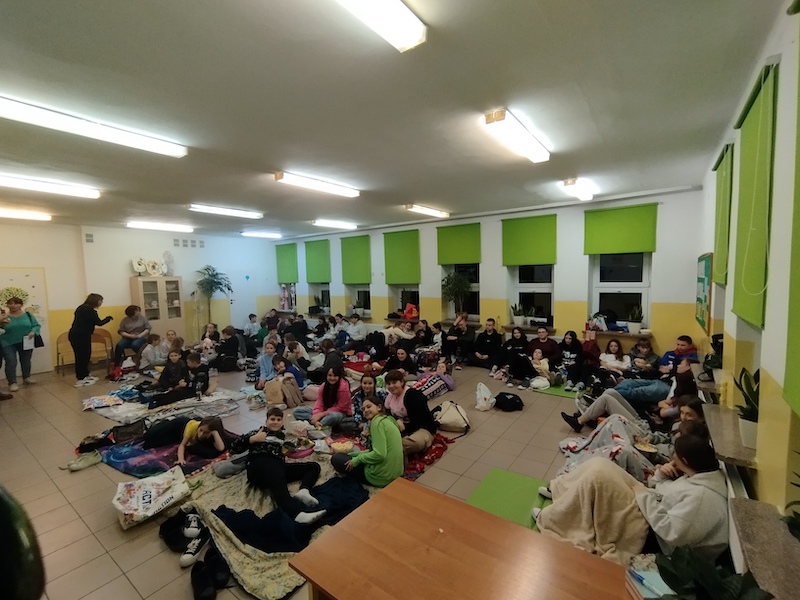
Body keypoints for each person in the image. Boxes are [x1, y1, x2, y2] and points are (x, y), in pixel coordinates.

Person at [533, 435, 728, 563]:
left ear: (685, 461)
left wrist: (643, 496)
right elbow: (662, 490)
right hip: (651, 507)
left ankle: (554, 518)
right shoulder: (696, 476)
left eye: (675, 457)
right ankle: (562, 491)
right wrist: (661, 476)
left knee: (599, 477)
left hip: (651, 535)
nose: (672, 459)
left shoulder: (702, 498)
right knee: (600, 464)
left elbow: (673, 535)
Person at [230, 407, 326, 524]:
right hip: (258, 467)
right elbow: (233, 448)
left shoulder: (281, 436)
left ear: (282, 422)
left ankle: (304, 491)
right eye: (272, 419)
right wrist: (252, 439)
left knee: (313, 467)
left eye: (278, 419)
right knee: (274, 470)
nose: (275, 422)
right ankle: (295, 514)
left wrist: (298, 443)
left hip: (277, 467)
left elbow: (287, 449)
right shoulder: (258, 432)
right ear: (266, 421)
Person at [331, 395, 404, 487]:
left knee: (336, 458)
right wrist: (356, 455)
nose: (365, 410)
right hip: (395, 474)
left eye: (369, 407)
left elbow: (379, 454)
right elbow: (376, 450)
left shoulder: (377, 423)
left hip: (381, 476)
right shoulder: (387, 419)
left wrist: (358, 459)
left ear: (379, 407)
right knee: (348, 455)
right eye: (363, 409)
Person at [384, 369, 437, 455]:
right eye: (388, 384)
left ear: (402, 382)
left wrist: (403, 428)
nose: (391, 386)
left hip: (421, 428)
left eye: (394, 382)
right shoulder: (389, 397)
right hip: (401, 429)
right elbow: (387, 414)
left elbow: (419, 422)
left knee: (407, 444)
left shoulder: (413, 396)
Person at [68, 293, 113, 388]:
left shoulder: (81, 308)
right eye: (100, 300)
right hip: (80, 336)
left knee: (84, 355)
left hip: (77, 335)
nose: (101, 303)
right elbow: (99, 323)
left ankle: (85, 375)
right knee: (82, 356)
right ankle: (81, 378)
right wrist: (108, 318)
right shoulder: (89, 311)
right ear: (95, 301)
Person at [143, 416, 228, 463]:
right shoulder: (192, 428)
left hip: (177, 436)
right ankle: (165, 421)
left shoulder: (213, 433)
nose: (201, 434)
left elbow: (221, 448)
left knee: (152, 443)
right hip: (178, 425)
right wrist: (181, 459)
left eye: (206, 432)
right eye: (201, 430)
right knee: (148, 436)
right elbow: (182, 445)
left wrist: (215, 433)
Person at [0, 297, 41, 392]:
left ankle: (27, 377)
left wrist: (33, 331)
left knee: (26, 360)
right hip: (7, 342)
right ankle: (12, 382)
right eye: (10, 303)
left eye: (16, 303)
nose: (13, 305)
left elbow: (36, 325)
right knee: (11, 361)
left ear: (21, 305)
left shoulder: (28, 315)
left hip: (26, 341)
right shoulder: (3, 316)